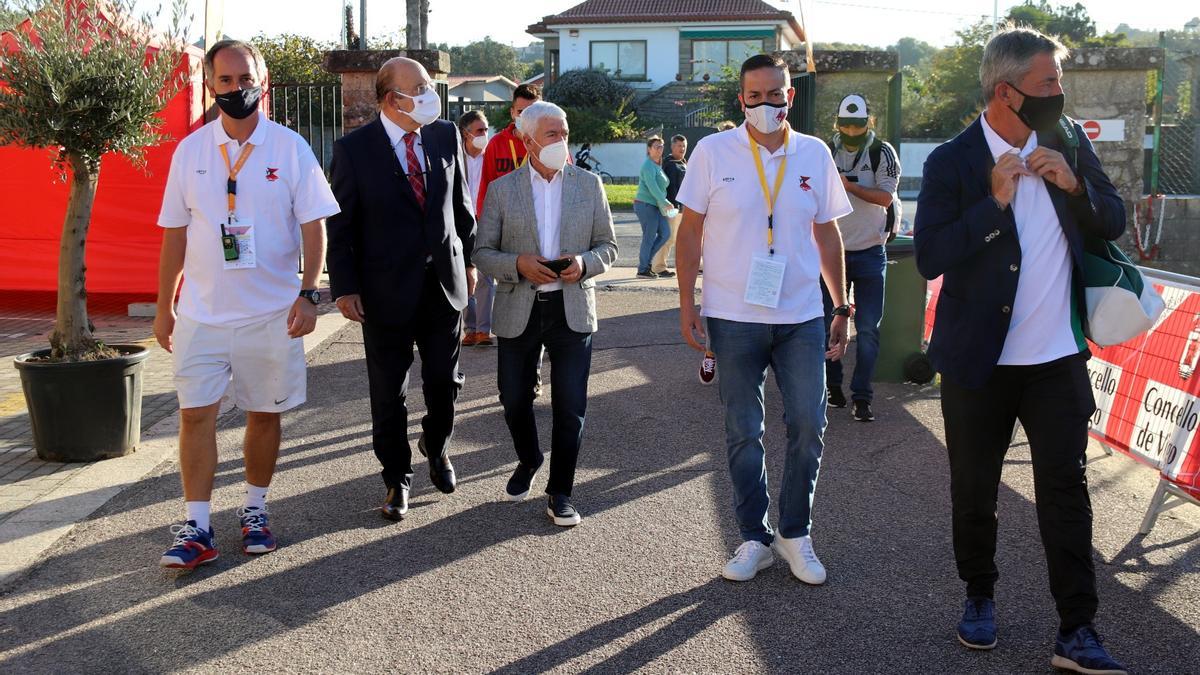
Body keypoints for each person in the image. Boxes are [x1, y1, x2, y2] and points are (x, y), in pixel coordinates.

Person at [914, 27, 1127, 675]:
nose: (1059, 94)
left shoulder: (1068, 142)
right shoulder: (951, 162)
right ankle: (980, 594)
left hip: (1057, 358)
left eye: (1058, 83)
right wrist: (994, 202)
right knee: (974, 489)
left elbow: (1113, 219)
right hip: (979, 362)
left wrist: (1075, 188)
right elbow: (929, 257)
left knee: (1066, 488)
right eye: (1049, 85)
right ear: (1006, 92)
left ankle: (1078, 627)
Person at [153, 40, 340, 568]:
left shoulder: (290, 147)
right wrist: (165, 305)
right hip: (201, 316)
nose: (238, 89)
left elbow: (314, 224)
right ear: (210, 85)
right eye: (226, 81)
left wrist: (308, 292)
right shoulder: (190, 151)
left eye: (246, 77)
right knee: (195, 417)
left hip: (271, 315)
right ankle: (197, 524)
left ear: (263, 78)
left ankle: (254, 509)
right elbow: (173, 235)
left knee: (264, 414)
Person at [676, 54, 852, 585]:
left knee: (807, 422)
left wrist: (840, 303)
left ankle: (794, 533)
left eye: (775, 94)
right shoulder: (712, 151)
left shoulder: (815, 153)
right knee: (742, 429)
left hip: (800, 314)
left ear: (790, 96)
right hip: (731, 315)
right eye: (754, 96)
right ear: (741, 100)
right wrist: (688, 302)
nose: (765, 104)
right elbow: (688, 232)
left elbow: (827, 233)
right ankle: (754, 537)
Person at [326, 57, 477, 522]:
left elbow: (461, 206)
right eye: (421, 87)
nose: (431, 93)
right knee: (388, 393)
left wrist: (467, 262)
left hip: (443, 285)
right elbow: (341, 225)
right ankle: (397, 477)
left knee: (445, 385)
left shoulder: (444, 134)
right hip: (384, 291)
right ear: (393, 98)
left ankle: (436, 443)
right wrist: (344, 288)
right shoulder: (354, 150)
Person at [473, 101, 618, 527]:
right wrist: (517, 263)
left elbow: (608, 246)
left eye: (564, 133)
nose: (561, 141)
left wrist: (586, 264)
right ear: (527, 139)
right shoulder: (503, 189)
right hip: (520, 308)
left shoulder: (588, 185)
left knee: (570, 406)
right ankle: (529, 456)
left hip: (571, 309)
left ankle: (561, 493)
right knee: (514, 399)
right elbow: (482, 252)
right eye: (551, 134)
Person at [821, 94, 901, 422]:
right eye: (845, 125)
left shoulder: (882, 152)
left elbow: (885, 197)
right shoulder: (826, 150)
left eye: (857, 124)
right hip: (832, 254)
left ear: (869, 122)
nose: (851, 130)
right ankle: (833, 385)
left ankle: (862, 395)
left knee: (868, 328)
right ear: (837, 124)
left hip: (870, 251)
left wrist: (849, 187)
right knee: (828, 324)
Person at [478, 83, 545, 395]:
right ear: (512, 112)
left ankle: (533, 373)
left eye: (531, 112)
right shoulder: (497, 144)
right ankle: (510, 375)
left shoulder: (550, 141)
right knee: (510, 305)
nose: (525, 117)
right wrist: (484, 228)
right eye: (521, 112)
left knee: (539, 307)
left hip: (541, 236)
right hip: (507, 238)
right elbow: (486, 189)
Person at [458, 110, 495, 347]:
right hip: (460, 222)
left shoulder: (490, 156)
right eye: (480, 130)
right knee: (462, 274)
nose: (484, 134)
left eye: (486, 129)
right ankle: (469, 327)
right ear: (466, 133)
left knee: (485, 275)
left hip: (485, 219)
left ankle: (483, 330)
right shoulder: (453, 157)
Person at [634, 136, 676, 279]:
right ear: (649, 149)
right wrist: (665, 202)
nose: (660, 149)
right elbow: (653, 188)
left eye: (662, 146)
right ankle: (643, 269)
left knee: (665, 234)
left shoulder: (657, 165)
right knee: (649, 237)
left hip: (656, 206)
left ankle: (646, 264)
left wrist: (662, 204)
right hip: (645, 205)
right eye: (656, 146)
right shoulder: (648, 166)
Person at [651, 134, 687, 276]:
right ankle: (658, 267)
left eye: (684, 146)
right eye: (679, 145)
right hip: (671, 206)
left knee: (682, 238)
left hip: (682, 207)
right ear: (672, 147)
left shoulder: (683, 163)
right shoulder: (669, 164)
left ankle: (692, 265)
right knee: (668, 237)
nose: (682, 148)